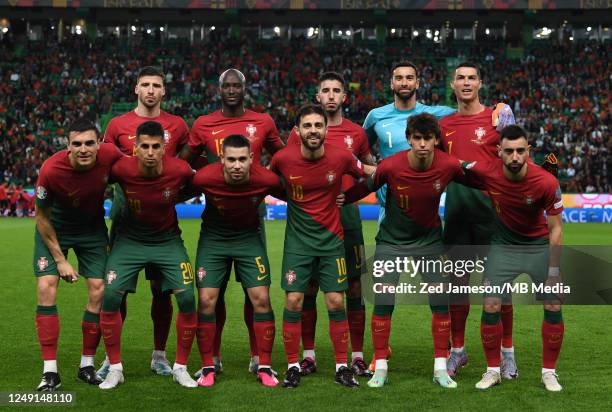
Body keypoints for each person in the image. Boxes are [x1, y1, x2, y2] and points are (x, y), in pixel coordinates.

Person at [343, 113, 465, 389]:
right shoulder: (391, 165)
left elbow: (480, 179)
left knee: (440, 304)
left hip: (430, 243)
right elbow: (365, 187)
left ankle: (440, 368)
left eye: (428, 139)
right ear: (409, 139)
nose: (422, 144)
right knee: (383, 303)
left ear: (436, 140)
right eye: (417, 138)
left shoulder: (448, 165)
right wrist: (341, 198)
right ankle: (381, 368)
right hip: (391, 242)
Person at [182, 68, 284, 374]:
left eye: (236, 85)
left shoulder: (263, 121)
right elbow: (183, 163)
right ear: (219, 89)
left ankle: (258, 356)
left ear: (244, 88)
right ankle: (212, 357)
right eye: (226, 85)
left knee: (256, 294)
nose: (231, 90)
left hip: (252, 222)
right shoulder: (203, 124)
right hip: (215, 220)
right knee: (214, 293)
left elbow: (283, 158)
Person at [270, 104, 374, 389]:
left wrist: (351, 195)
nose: (313, 130)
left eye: (318, 126)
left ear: (326, 130)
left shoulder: (341, 156)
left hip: (332, 243)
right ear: (298, 130)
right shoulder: (282, 158)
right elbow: (266, 181)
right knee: (294, 300)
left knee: (336, 301)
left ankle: (342, 367)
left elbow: (369, 172)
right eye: (308, 126)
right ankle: (293, 365)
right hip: (297, 244)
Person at [100, 66, 190, 378]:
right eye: (145, 85)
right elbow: (104, 166)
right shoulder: (117, 125)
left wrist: (171, 195)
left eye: (156, 85)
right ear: (136, 89)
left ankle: (159, 355)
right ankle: (111, 359)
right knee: (117, 290)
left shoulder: (177, 126)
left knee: (162, 291)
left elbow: (185, 167)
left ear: (164, 91)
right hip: (125, 222)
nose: (151, 90)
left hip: (163, 223)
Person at [461, 125, 564, 392]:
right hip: (503, 247)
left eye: (520, 151)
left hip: (537, 247)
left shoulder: (546, 182)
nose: (515, 157)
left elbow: (555, 229)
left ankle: (549, 373)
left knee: (553, 304)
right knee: (492, 303)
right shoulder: (487, 171)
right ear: (499, 152)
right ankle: (493, 370)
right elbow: (454, 165)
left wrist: (553, 272)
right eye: (509, 152)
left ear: (528, 151)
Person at [439, 62, 517, 379]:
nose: (466, 82)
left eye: (472, 77)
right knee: (457, 287)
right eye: (461, 78)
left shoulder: (498, 118)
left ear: (480, 83)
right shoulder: (444, 126)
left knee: (501, 289)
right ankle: (458, 351)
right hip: (458, 215)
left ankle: (507, 354)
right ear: (453, 85)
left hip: (495, 216)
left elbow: (516, 156)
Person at [33, 118, 123, 391]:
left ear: (99, 144)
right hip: (55, 228)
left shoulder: (110, 155)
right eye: (76, 144)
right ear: (68, 146)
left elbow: (135, 172)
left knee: (99, 290)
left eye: (89, 143)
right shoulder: (50, 170)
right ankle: (50, 372)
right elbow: (41, 217)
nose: (83, 149)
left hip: (91, 229)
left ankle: (86, 365)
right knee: (46, 286)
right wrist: (60, 260)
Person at [191, 134, 285, 388]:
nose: (236, 165)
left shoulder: (266, 179)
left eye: (242, 159)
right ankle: (208, 366)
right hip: (213, 240)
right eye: (231, 159)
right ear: (222, 158)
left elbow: (296, 195)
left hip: (248, 239)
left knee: (262, 300)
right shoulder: (204, 177)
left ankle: (264, 366)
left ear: (252, 159)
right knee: (206, 300)